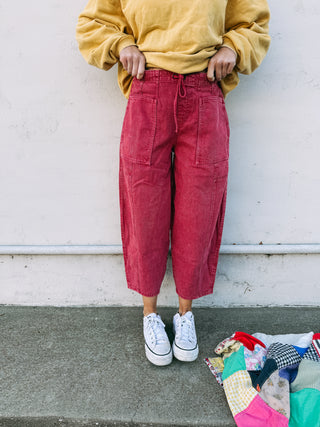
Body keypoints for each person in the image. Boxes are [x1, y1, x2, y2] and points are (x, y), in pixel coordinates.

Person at [76, 0, 271, 366]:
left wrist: (232, 47)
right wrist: (122, 45)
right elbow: (93, 24)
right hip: (148, 88)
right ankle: (150, 314)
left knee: (200, 205)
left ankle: (185, 315)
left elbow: (253, 23)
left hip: (204, 90)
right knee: (144, 206)